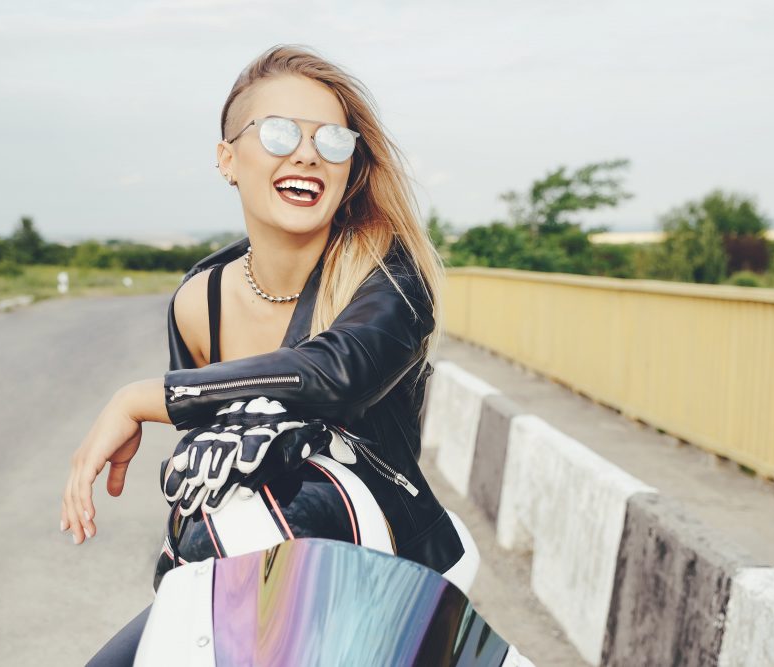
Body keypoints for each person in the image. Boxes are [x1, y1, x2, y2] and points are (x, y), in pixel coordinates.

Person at [62, 44, 471, 665]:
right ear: (228, 159)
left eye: (333, 140)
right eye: (280, 132)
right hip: (252, 575)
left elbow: (335, 375)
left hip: (387, 570)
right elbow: (209, 469)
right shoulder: (201, 302)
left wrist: (146, 397)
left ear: (350, 167)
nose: (308, 153)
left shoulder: (384, 276)